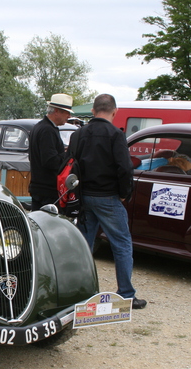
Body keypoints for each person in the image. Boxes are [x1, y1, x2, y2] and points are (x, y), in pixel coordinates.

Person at [71, 93, 147, 309]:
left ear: (93, 111)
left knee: (83, 245)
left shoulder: (79, 134)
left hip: (83, 197)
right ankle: (126, 294)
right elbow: (125, 167)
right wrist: (124, 193)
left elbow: (70, 164)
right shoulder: (116, 134)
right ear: (115, 112)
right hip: (108, 197)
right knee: (121, 244)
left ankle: (78, 291)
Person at [28, 93, 74, 210]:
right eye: (66, 112)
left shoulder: (39, 126)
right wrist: (66, 157)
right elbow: (50, 160)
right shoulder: (47, 130)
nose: (68, 116)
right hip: (47, 189)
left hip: (39, 186)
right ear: (57, 111)